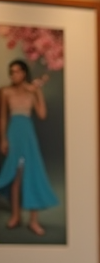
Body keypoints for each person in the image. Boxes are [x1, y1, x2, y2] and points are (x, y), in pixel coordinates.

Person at [0, 59, 58, 235]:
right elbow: (3, 117)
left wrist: (37, 91)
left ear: (24, 73)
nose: (14, 75)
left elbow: (41, 114)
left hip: (28, 135)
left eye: (17, 71)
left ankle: (34, 221)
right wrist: (3, 139)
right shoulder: (6, 91)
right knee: (15, 178)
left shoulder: (32, 91)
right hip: (13, 134)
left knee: (32, 174)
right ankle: (16, 216)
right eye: (12, 72)